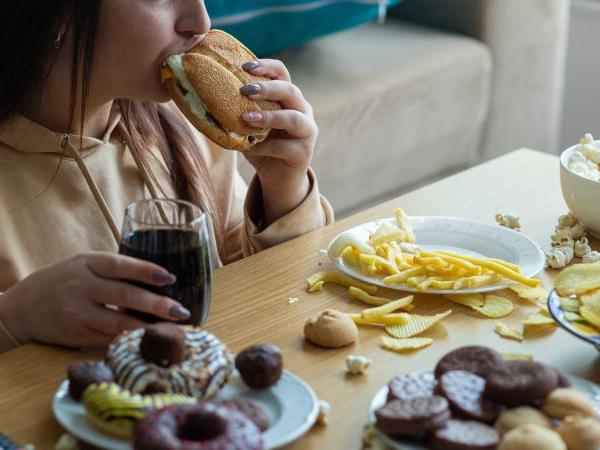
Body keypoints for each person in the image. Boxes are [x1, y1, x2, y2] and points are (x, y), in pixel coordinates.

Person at [0, 1, 333, 353]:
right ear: (58, 13)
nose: (200, 21)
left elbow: (277, 298)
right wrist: (15, 316)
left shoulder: (186, 126)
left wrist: (284, 189)